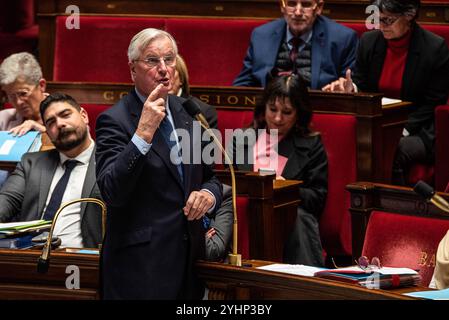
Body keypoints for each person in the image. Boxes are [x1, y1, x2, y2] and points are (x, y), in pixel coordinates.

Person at [95, 28, 223, 299]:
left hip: (190, 262)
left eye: (169, 59)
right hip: (139, 267)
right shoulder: (114, 120)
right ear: (133, 70)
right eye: (153, 61)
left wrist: (208, 196)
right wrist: (143, 134)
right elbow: (111, 191)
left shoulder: (189, 112)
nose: (164, 69)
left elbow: (212, 177)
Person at [322, 0, 449, 186]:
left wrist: (399, 130)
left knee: (390, 150)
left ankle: (391, 207)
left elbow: (432, 104)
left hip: (418, 129)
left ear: (409, 16)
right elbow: (362, 84)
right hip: (376, 124)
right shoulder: (369, 41)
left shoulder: (434, 49)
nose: (381, 26)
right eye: (378, 19)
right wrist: (352, 89)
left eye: (388, 20)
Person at [231, 74, 328, 267]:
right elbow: (231, 185)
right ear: (263, 107)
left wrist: (287, 189)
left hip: (289, 222)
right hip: (245, 217)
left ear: (299, 113)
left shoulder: (311, 144)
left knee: (298, 218)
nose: (277, 118)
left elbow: (317, 198)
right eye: (272, 109)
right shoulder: (241, 139)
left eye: (287, 112)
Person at [0, 92, 102, 248]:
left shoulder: (108, 160)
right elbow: (6, 202)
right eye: (51, 122)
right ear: (47, 132)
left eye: (65, 115)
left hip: (83, 261)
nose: (59, 124)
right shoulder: (32, 163)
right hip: (27, 257)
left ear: (84, 116)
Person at [169, 54, 232, 262]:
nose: (164, 74)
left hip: (189, 188)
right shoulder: (142, 109)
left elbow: (206, 163)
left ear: (181, 77)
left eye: (171, 68)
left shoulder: (200, 112)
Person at [232, 0, 358, 89]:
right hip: (271, 113)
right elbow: (244, 82)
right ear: (282, 6)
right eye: (291, 3)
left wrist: (346, 87)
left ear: (319, 7)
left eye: (306, 4)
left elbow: (349, 85)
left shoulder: (343, 38)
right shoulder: (261, 35)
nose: (298, 12)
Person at [0, 52, 47, 135]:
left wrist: (44, 130)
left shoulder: (66, 113)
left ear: (41, 85)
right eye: (11, 96)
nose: (18, 102)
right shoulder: (3, 119)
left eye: (23, 93)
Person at [169, 54, 217, 129]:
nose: (165, 77)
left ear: (181, 78)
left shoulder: (203, 112)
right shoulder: (149, 107)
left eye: (171, 71)